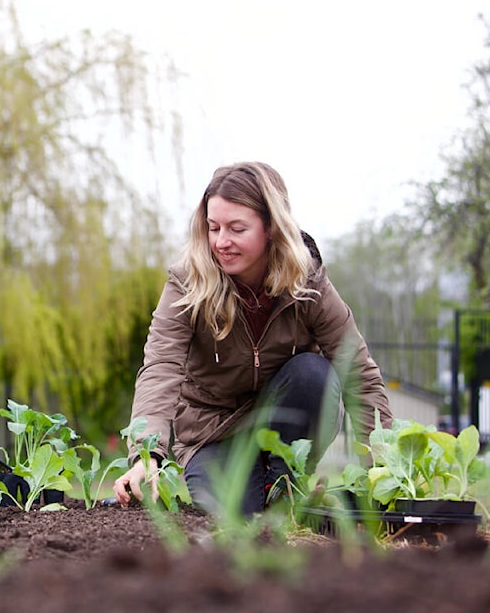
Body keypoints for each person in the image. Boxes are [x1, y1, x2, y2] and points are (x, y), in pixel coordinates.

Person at [112, 162, 392, 515]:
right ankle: (270, 497)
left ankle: (284, 485)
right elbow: (160, 366)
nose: (221, 242)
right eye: (213, 228)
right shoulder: (188, 282)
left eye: (237, 228)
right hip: (213, 432)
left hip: (285, 423)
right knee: (226, 518)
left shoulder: (307, 283)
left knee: (313, 372)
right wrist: (146, 455)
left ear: (271, 227)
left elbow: (359, 375)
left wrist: (385, 467)